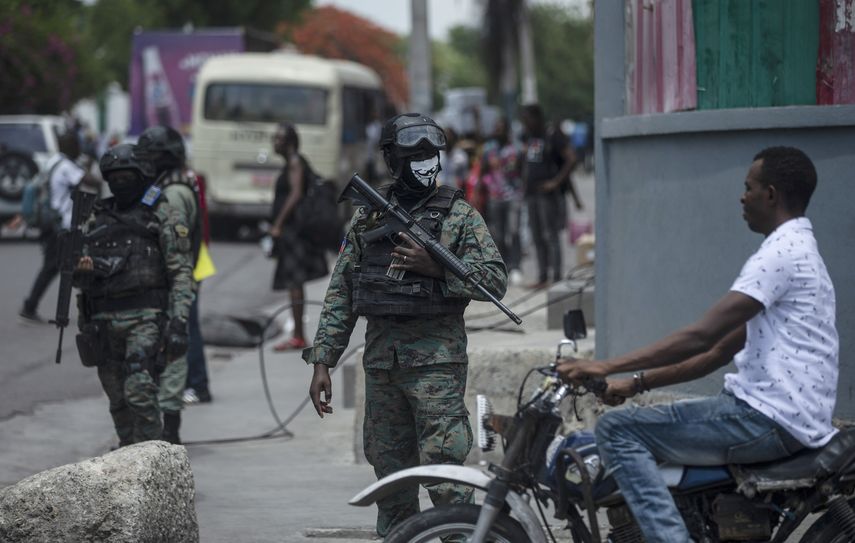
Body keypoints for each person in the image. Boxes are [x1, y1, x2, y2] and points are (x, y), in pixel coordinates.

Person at [559, 146, 837, 542]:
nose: (742, 197)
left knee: (617, 430)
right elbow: (716, 353)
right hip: (785, 416)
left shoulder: (780, 255)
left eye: (749, 188)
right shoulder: (801, 251)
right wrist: (635, 384)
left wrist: (603, 365)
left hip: (765, 418)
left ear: (771, 194)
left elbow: (701, 336)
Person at [304, 112, 507, 538]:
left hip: (436, 366)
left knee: (446, 473)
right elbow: (342, 290)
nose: (427, 164)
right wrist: (323, 360)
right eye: (416, 157)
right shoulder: (368, 217)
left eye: (432, 156)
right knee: (390, 476)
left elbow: (494, 282)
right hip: (383, 366)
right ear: (394, 161)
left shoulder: (459, 216)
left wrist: (436, 268)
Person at [73, 143, 195, 447]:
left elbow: (181, 272)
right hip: (102, 322)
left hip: (145, 320)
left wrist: (179, 321)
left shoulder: (162, 214)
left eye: (126, 177)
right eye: (114, 178)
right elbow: (77, 277)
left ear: (142, 176)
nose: (120, 184)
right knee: (117, 399)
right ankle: (128, 455)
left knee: (139, 390)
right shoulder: (95, 217)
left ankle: (151, 456)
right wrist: (82, 271)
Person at [137, 125, 212, 445]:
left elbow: (174, 249)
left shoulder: (176, 193)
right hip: (169, 283)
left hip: (175, 283)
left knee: (177, 344)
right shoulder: (165, 186)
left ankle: (169, 433)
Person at [19, 127, 100, 323]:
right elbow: (92, 182)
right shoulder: (66, 166)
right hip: (61, 225)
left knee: (57, 266)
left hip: (51, 222)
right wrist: (89, 164)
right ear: (72, 146)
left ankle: (31, 306)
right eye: (77, 145)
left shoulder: (53, 161)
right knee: (72, 265)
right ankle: (31, 306)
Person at [269, 122, 329, 351]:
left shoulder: (295, 162)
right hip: (293, 232)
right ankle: (298, 334)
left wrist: (278, 224)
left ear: (290, 142)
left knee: (294, 281)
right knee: (294, 282)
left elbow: (295, 194)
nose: (275, 143)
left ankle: (298, 336)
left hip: (295, 233)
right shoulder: (292, 162)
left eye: (279, 138)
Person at [520, 104, 582, 288]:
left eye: (527, 119)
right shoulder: (529, 137)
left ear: (537, 117)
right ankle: (542, 276)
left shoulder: (551, 135)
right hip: (531, 193)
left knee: (551, 235)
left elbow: (571, 158)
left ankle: (556, 277)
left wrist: (555, 182)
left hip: (547, 195)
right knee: (537, 236)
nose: (525, 124)